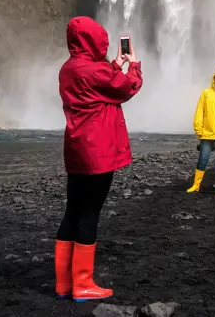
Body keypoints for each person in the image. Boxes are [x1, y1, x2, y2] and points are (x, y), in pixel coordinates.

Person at [54, 16, 143, 303]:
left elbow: (100, 82)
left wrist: (115, 64)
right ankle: (83, 284)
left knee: (73, 210)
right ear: (93, 40)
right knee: (90, 212)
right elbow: (125, 87)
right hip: (99, 151)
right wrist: (134, 65)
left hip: (77, 149)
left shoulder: (69, 69)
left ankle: (64, 283)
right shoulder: (94, 72)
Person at [187, 69, 215, 194]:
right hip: (207, 132)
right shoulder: (206, 93)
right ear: (214, 79)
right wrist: (198, 128)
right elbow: (200, 111)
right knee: (203, 158)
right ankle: (196, 185)